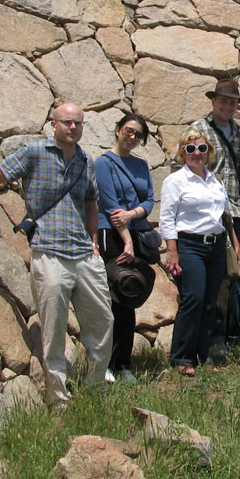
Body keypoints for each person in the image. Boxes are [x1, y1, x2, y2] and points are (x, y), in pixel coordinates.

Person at [0, 103, 111, 409]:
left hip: (84, 254)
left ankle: (95, 388)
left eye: (78, 123)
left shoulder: (86, 161)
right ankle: (59, 399)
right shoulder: (33, 153)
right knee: (54, 329)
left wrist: (94, 241)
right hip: (49, 251)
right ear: (53, 125)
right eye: (67, 122)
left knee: (102, 322)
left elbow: (91, 203)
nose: (73, 127)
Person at [185, 80, 240, 353]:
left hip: (235, 212)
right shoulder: (198, 130)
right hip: (210, 215)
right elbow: (179, 168)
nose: (228, 106)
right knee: (215, 276)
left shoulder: (237, 132)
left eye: (233, 102)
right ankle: (215, 337)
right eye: (224, 101)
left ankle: (238, 331)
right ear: (213, 101)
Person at [159, 131, 237, 376]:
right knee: (193, 298)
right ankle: (182, 356)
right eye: (190, 149)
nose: (197, 154)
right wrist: (172, 250)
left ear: (209, 152)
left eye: (202, 149)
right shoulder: (176, 181)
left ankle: (202, 355)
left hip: (216, 245)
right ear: (183, 153)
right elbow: (167, 218)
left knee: (210, 301)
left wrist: (234, 245)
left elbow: (225, 216)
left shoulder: (215, 181)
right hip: (189, 244)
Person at [95, 113, 156, 384]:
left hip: (136, 232)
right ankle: (105, 363)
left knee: (129, 296)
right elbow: (110, 205)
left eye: (138, 134)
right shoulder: (103, 164)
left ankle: (122, 362)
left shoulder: (141, 165)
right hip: (112, 235)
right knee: (111, 297)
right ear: (118, 130)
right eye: (129, 131)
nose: (133, 137)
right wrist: (127, 239)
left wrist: (133, 215)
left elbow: (150, 200)